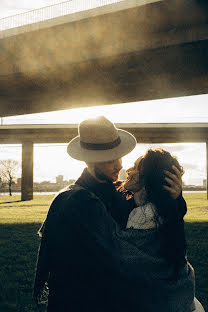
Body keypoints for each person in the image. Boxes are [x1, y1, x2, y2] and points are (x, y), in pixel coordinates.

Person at [34, 116, 189, 312]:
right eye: (109, 160)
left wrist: (173, 197)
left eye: (119, 156)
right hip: (81, 301)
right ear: (88, 160)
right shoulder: (77, 201)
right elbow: (120, 257)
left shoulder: (117, 192)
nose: (118, 166)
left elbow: (151, 214)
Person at [124, 148, 205, 312]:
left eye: (135, 167)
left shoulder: (143, 215)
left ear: (147, 178)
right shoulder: (162, 209)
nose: (128, 170)